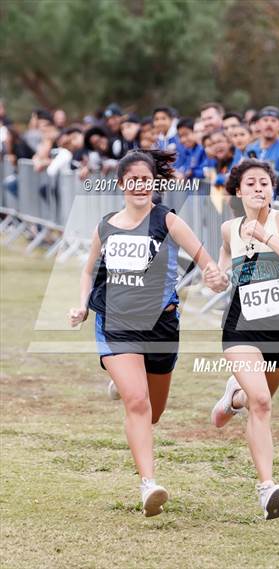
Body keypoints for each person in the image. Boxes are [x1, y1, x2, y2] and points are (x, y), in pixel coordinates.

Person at [69, 149, 224, 517]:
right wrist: (82, 304)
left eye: (146, 179)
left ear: (155, 182)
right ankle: (148, 485)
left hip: (161, 326)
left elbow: (204, 259)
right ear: (122, 183)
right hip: (116, 323)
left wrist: (214, 275)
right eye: (133, 180)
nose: (140, 185)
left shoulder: (167, 220)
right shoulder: (105, 225)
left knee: (152, 412)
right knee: (137, 402)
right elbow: (89, 271)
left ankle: (122, 383)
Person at [204, 159, 279, 520]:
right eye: (249, 183)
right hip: (242, 326)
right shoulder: (228, 228)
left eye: (264, 183)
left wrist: (267, 238)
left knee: (253, 401)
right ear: (238, 191)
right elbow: (223, 270)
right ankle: (267, 488)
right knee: (263, 403)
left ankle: (232, 396)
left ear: (272, 188)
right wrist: (217, 278)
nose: (257, 189)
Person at [246, 106, 279, 175]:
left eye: (273, 121)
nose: (269, 124)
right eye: (265, 120)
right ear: (258, 124)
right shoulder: (250, 148)